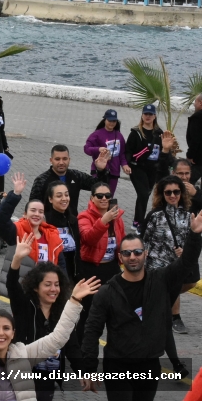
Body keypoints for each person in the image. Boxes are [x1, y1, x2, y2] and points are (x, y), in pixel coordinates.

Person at [81, 213, 202, 400]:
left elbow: (186, 263)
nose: (133, 257)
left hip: (150, 364)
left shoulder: (161, 280)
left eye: (137, 252)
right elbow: (92, 330)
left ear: (145, 254)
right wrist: (88, 369)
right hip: (118, 367)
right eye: (127, 253)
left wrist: (194, 234)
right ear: (120, 258)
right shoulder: (107, 292)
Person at [8, 233, 89, 401]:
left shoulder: (62, 312)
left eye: (57, 284)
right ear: (35, 287)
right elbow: (11, 284)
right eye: (48, 284)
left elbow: (72, 344)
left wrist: (83, 372)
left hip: (48, 380)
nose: (54, 289)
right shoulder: (24, 307)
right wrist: (16, 259)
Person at [142, 175, 197, 340]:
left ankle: (164, 308)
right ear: (162, 194)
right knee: (164, 290)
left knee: (189, 283)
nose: (173, 195)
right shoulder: (155, 215)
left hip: (176, 264)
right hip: (156, 264)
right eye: (168, 193)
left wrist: (185, 251)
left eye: (176, 192)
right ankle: (171, 318)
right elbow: (143, 240)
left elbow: (191, 239)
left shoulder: (187, 216)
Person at [0, 173, 66, 296]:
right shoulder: (17, 232)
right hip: (23, 292)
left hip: (47, 292)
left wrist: (64, 289)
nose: (37, 214)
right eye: (33, 210)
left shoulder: (52, 236)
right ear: (24, 214)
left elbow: (61, 267)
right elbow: (1, 221)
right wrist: (15, 194)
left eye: (40, 212)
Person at [76, 183, 125, 343]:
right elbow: (88, 238)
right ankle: (84, 351)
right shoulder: (84, 217)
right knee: (89, 313)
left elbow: (122, 242)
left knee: (116, 310)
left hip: (111, 268)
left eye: (107, 196)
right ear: (92, 198)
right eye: (99, 196)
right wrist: (103, 221)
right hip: (91, 270)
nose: (104, 199)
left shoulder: (117, 218)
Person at [29, 144, 109, 216]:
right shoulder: (41, 180)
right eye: (57, 159)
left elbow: (99, 187)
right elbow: (32, 205)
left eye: (64, 159)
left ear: (69, 160)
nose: (61, 162)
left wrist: (100, 170)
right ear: (51, 160)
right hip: (49, 226)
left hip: (71, 225)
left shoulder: (76, 175)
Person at [125, 104, 163, 234]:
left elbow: (163, 151)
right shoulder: (136, 133)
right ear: (142, 115)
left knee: (145, 195)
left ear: (154, 116)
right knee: (142, 193)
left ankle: (136, 221)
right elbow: (128, 151)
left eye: (150, 114)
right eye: (145, 114)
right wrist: (126, 165)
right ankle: (140, 223)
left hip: (153, 170)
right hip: (137, 168)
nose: (148, 116)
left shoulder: (159, 133)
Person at [84, 109, 130, 196]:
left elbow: (122, 153)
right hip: (99, 171)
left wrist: (124, 165)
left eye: (114, 121)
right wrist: (98, 149)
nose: (112, 123)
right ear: (104, 120)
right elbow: (86, 149)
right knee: (98, 196)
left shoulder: (119, 135)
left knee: (109, 197)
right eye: (109, 120)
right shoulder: (96, 134)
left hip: (114, 172)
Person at [45, 181, 81, 281]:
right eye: (59, 196)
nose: (64, 199)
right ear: (50, 199)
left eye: (66, 195)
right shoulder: (45, 221)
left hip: (71, 271)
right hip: (52, 271)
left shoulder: (73, 220)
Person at [185, 94, 202, 185]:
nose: (194, 104)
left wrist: (190, 155)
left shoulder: (197, 117)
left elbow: (196, 139)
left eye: (195, 102)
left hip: (198, 159)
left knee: (187, 183)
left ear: (200, 103)